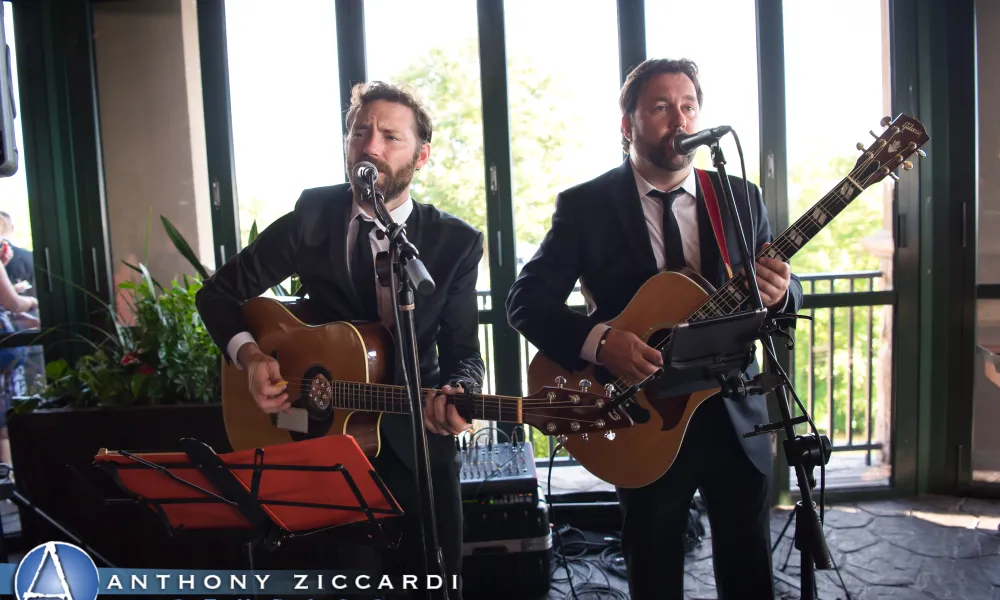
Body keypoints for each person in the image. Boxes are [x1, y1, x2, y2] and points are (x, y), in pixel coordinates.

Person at [506, 58, 804, 599]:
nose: (679, 120)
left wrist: (785, 292)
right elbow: (525, 301)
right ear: (628, 125)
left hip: (734, 410)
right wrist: (601, 344)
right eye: (661, 107)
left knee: (749, 568)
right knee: (654, 564)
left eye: (688, 106)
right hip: (643, 413)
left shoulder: (739, 198)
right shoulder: (586, 206)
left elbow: (780, 288)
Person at [195, 81, 485, 598]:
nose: (370, 145)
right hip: (323, 443)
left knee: (437, 588)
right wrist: (252, 355)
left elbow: (464, 355)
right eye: (360, 132)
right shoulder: (312, 217)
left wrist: (459, 393)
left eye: (390, 136)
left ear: (421, 156)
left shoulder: (454, 243)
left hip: (418, 447)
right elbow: (217, 294)